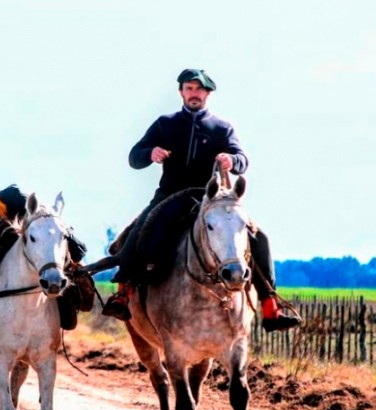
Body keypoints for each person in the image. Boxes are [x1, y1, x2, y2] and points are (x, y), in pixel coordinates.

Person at [91, 68, 301, 331]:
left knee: (260, 237)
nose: (194, 94)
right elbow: (134, 157)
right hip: (169, 195)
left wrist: (232, 160)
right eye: (189, 88)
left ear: (208, 94)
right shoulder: (164, 124)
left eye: (199, 89)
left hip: (212, 199)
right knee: (140, 231)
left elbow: (243, 160)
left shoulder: (222, 128)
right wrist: (150, 152)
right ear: (181, 92)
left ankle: (271, 305)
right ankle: (124, 293)